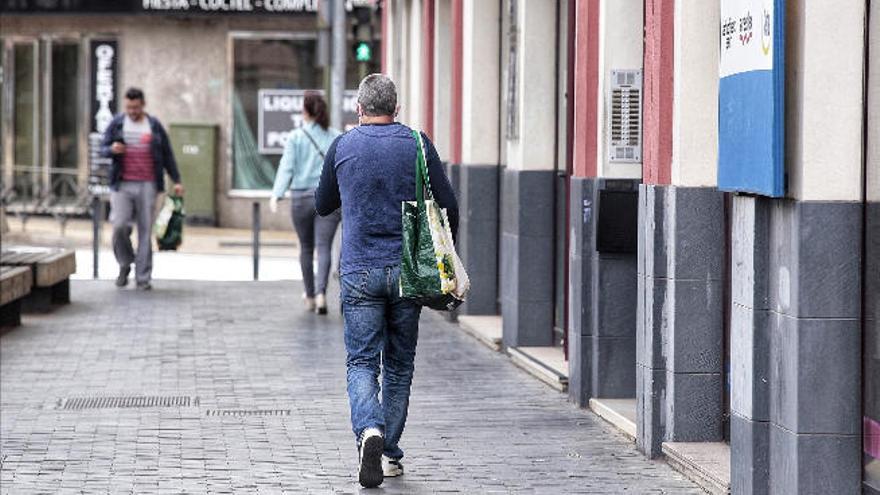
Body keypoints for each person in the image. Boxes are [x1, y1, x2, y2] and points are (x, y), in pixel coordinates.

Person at [315, 74, 458, 488]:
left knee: (361, 361)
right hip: (408, 271)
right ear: (397, 108)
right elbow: (448, 203)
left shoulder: (342, 145)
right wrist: (446, 262)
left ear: (359, 108)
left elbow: (324, 205)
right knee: (398, 364)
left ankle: (369, 432)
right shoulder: (417, 143)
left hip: (359, 269)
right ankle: (389, 452)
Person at [101, 87, 183, 291]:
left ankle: (143, 277)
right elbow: (103, 147)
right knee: (120, 225)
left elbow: (167, 154)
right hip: (122, 184)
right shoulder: (118, 123)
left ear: (143, 105)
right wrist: (112, 149)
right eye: (128, 107)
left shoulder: (153, 125)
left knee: (145, 231)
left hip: (149, 184)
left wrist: (177, 180)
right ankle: (124, 263)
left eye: (136, 107)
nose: (132, 111)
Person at [270, 92, 342, 314]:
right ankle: (322, 293)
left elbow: (287, 168)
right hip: (328, 199)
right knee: (324, 248)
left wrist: (277, 194)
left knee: (306, 248)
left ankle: (310, 296)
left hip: (300, 198)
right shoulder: (335, 137)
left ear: (306, 112)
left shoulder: (295, 137)